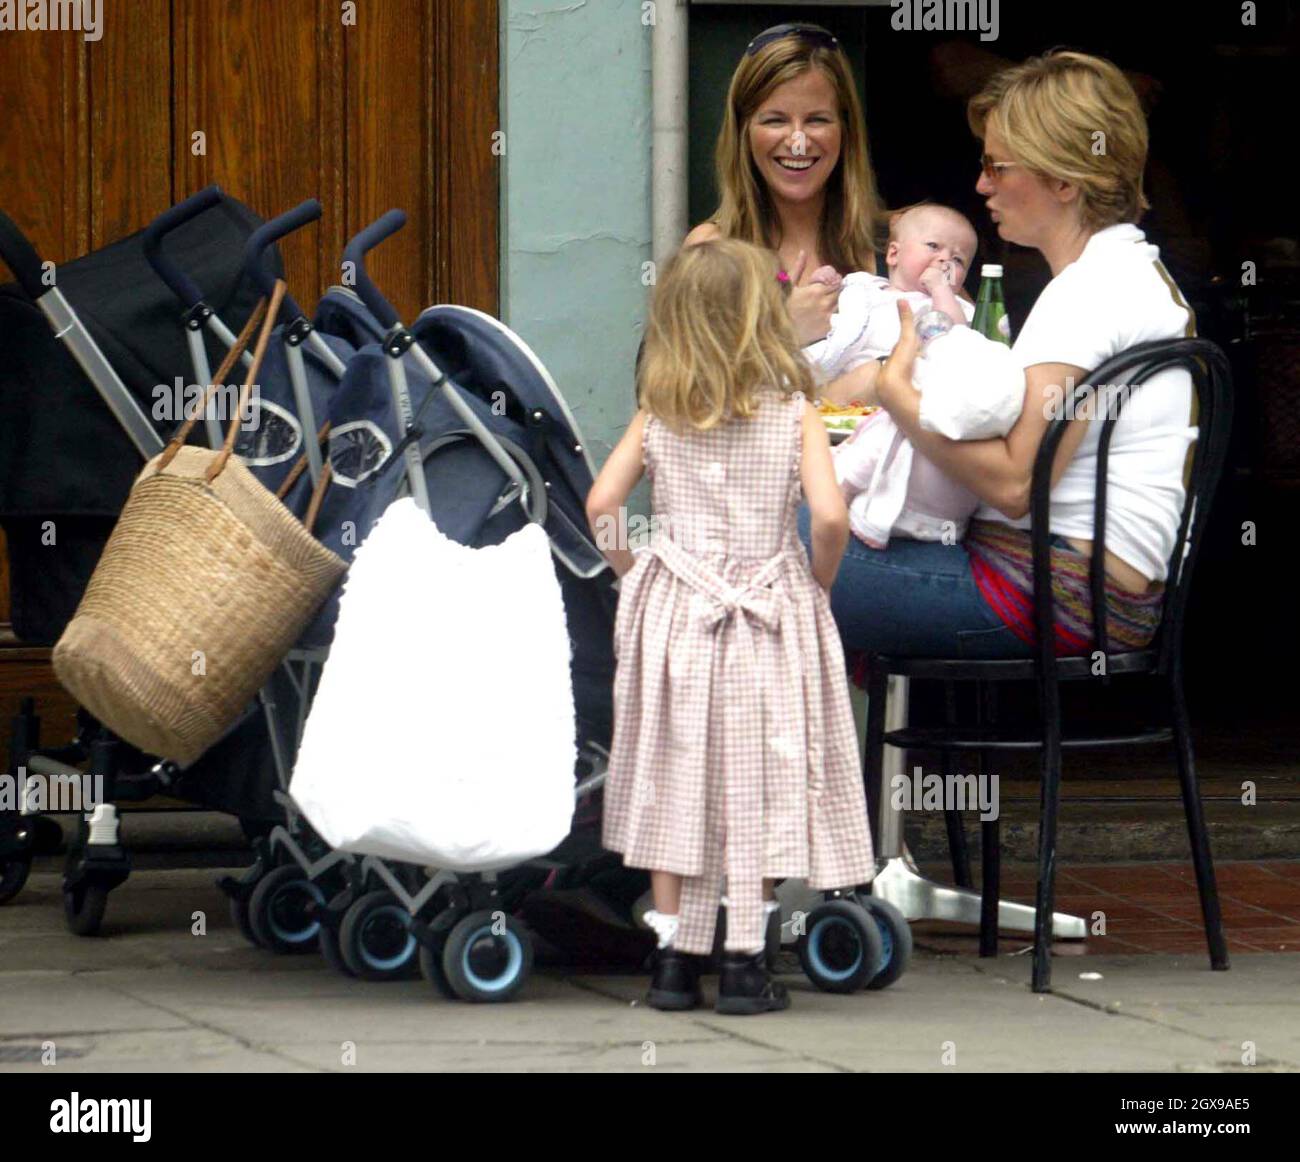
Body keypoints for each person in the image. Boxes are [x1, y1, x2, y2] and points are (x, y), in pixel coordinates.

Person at [803, 50, 1199, 661]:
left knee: (765, 537)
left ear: (1063, 180)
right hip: (1073, 585)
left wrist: (893, 390)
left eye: (996, 165)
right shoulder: (1129, 272)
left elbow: (1017, 483)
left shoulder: (1090, 292)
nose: (982, 183)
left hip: (1052, 594)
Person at [586, 238, 874, 1015]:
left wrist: (637, 573)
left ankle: (673, 962)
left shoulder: (659, 417)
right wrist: (814, 581)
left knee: (677, 773)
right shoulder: (795, 414)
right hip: (768, 612)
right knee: (762, 773)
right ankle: (748, 960)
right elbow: (832, 517)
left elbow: (602, 507)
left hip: (680, 608)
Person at [683, 22, 888, 392]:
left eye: (817, 120)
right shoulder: (711, 249)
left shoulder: (905, 243)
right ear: (744, 132)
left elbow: (971, 363)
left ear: (846, 130)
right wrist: (779, 333)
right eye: (775, 120)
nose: (797, 141)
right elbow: (677, 403)